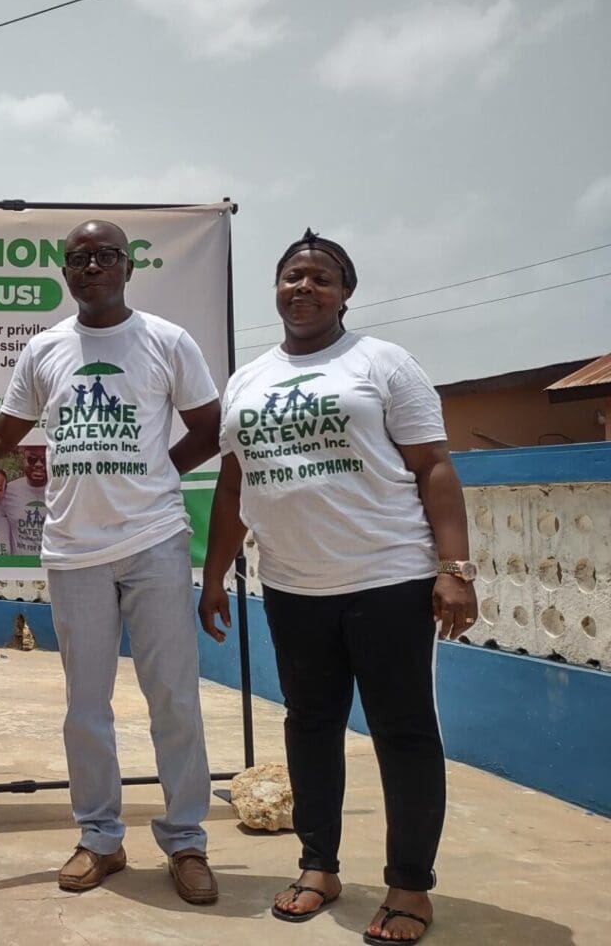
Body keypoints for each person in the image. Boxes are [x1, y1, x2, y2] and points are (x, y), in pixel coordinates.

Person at [0, 219, 223, 903]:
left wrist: (156, 474)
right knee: (85, 707)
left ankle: (186, 840)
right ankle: (100, 838)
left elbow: (210, 430)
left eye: (104, 256)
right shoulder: (45, 350)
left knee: (174, 700)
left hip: (154, 542)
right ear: (64, 273)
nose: (91, 266)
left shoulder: (167, 341)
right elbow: (1, 435)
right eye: (78, 259)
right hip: (74, 551)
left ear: (127, 266)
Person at [199, 230, 477, 944]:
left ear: (346, 292)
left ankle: (410, 886)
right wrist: (213, 577)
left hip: (388, 579)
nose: (305, 288)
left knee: (404, 733)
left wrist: (454, 570)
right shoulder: (248, 379)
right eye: (293, 276)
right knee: (309, 728)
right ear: (277, 288)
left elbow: (434, 468)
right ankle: (318, 867)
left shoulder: (383, 363)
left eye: (322, 278)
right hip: (293, 587)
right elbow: (234, 483)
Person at [1, 445, 49, 555]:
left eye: (45, 459)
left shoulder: (61, 491)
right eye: (31, 459)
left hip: (50, 565)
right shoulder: (8, 491)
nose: (38, 464)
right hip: (19, 567)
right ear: (23, 461)